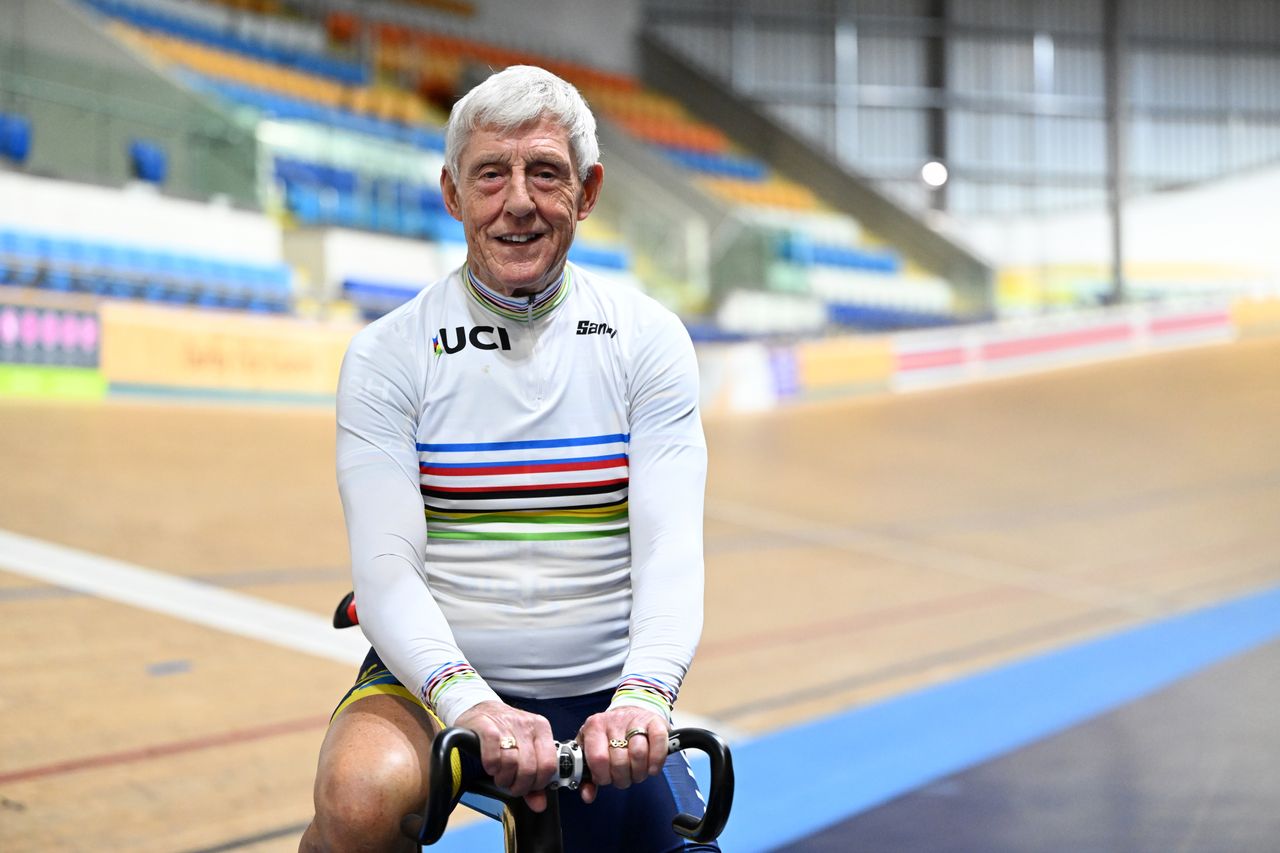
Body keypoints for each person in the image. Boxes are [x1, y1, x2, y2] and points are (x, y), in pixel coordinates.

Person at [300, 65, 713, 853]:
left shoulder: (648, 341)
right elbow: (386, 569)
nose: (517, 200)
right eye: (491, 173)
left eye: (545, 173)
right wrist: (471, 703)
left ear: (587, 192)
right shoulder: (389, 354)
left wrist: (646, 694)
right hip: (432, 684)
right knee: (357, 800)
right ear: (453, 194)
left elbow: (670, 552)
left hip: (600, 688)